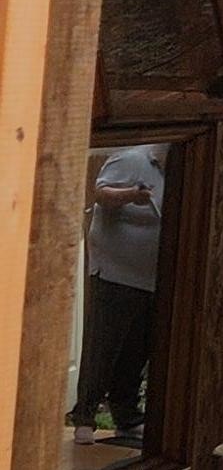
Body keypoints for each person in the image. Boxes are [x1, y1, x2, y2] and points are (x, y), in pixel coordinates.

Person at [70, 144, 165, 442]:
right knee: (103, 346)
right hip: (115, 272)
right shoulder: (133, 159)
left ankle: (126, 416)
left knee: (136, 350)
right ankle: (84, 417)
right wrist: (132, 196)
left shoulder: (175, 172)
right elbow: (100, 194)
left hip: (150, 277)